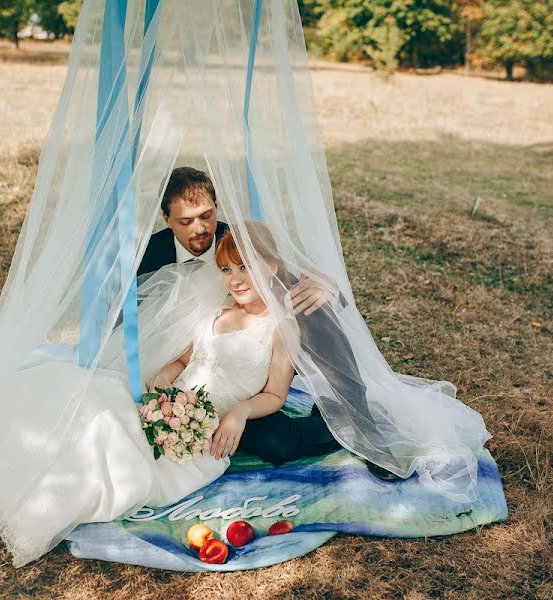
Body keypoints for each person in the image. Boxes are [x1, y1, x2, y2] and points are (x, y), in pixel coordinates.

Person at [0, 226, 296, 579]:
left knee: (66, 455)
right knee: (57, 398)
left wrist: (237, 411)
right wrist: (164, 386)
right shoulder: (218, 310)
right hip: (161, 409)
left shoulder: (279, 329)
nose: (233, 279)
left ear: (269, 266)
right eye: (227, 268)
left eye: (244, 268)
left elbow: (275, 393)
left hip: (194, 442)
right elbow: (181, 361)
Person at [138, 167, 397, 478]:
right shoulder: (149, 256)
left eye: (206, 215)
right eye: (185, 221)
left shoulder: (236, 239)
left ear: (217, 207)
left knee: (308, 306)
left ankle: (360, 421)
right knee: (269, 441)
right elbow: (136, 326)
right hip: (196, 356)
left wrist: (326, 285)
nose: (200, 228)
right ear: (166, 220)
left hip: (260, 351)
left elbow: (284, 269)